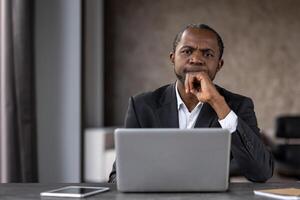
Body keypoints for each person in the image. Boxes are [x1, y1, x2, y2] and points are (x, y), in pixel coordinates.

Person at [108, 24, 274, 183]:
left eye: (208, 54)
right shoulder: (142, 106)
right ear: (173, 58)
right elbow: (118, 177)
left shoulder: (238, 106)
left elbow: (261, 173)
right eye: (187, 51)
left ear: (219, 65)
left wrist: (218, 103)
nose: (196, 59)